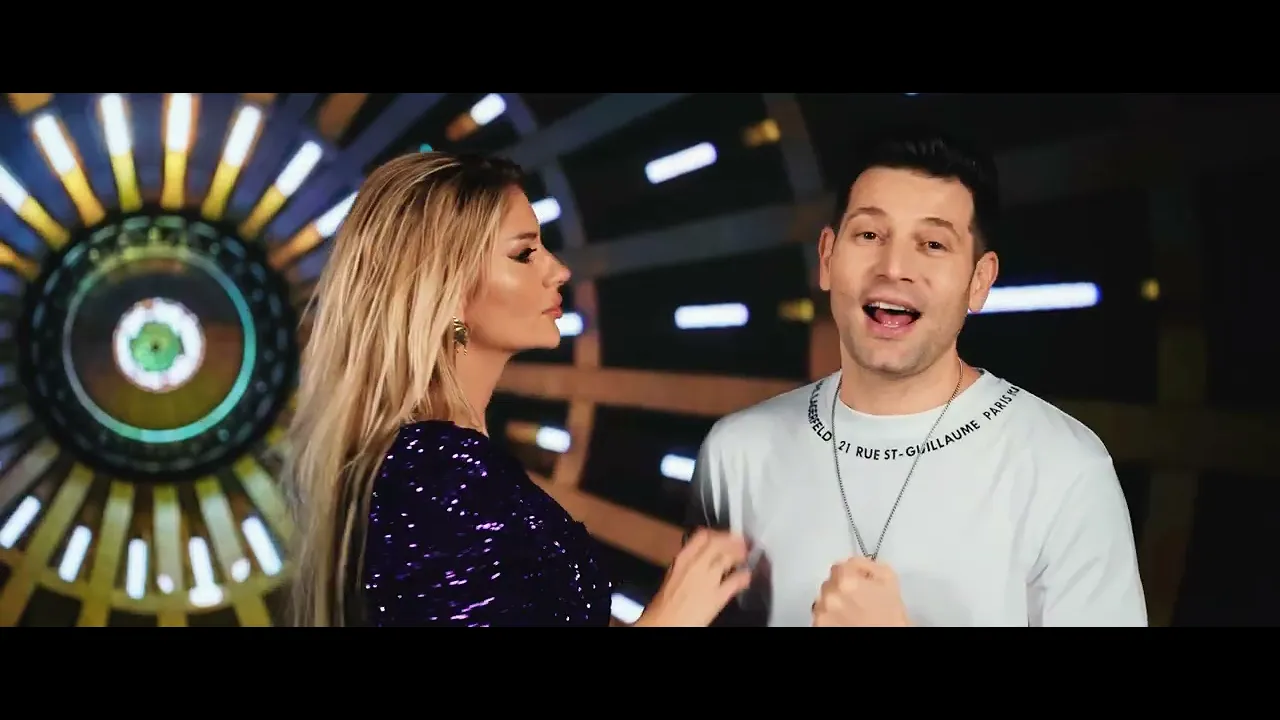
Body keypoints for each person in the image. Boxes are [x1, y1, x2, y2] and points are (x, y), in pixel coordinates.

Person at [686, 127, 1148, 627]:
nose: (894, 268)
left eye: (932, 243)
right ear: (827, 257)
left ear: (979, 281)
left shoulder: (1064, 469)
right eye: (869, 235)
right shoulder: (737, 453)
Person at [284, 151, 750, 627]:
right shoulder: (440, 473)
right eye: (524, 254)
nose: (558, 270)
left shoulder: (434, 462)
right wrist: (672, 616)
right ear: (445, 287)